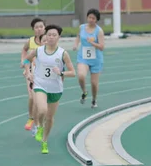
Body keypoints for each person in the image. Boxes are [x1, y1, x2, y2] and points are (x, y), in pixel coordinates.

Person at [25, 24, 75, 154]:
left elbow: (72, 72)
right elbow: (26, 60)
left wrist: (61, 73)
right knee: (42, 109)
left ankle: (45, 141)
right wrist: (28, 72)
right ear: (45, 36)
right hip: (40, 85)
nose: (51, 37)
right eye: (49, 35)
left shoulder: (63, 53)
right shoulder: (39, 50)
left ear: (59, 37)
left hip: (55, 88)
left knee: (50, 117)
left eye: (54, 35)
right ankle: (39, 127)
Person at [73, 8, 105, 108]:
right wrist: (76, 44)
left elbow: (102, 47)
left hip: (96, 59)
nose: (91, 19)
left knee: (94, 84)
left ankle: (94, 100)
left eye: (93, 18)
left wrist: (92, 43)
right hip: (83, 57)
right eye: (89, 17)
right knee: (81, 76)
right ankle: (84, 91)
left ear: (96, 20)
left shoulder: (99, 31)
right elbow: (78, 37)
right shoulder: (82, 27)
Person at [20, 18, 46, 132]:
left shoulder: (48, 41)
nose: (39, 29)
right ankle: (33, 120)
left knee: (42, 103)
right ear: (33, 29)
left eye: (41, 26)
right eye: (36, 27)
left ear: (45, 28)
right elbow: (24, 51)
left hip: (44, 75)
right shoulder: (30, 41)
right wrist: (24, 63)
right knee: (33, 98)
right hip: (31, 72)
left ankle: (38, 122)